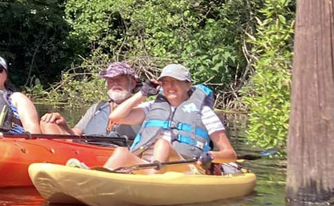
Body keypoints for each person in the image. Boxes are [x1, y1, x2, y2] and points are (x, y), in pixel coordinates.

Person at [102, 63, 238, 172]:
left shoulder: (204, 112)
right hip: (146, 166)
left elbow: (230, 154)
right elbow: (115, 117)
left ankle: (151, 186)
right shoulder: (152, 107)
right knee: (121, 152)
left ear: (188, 85)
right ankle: (97, 184)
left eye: (175, 81)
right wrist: (142, 93)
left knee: (162, 145)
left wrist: (211, 156)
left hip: (185, 168)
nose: (170, 86)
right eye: (166, 82)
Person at [39, 61, 142, 140]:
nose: (115, 83)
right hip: (88, 150)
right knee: (47, 123)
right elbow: (74, 135)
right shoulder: (97, 107)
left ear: (132, 84)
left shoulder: (143, 109)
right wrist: (64, 124)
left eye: (120, 79)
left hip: (118, 154)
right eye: (111, 80)